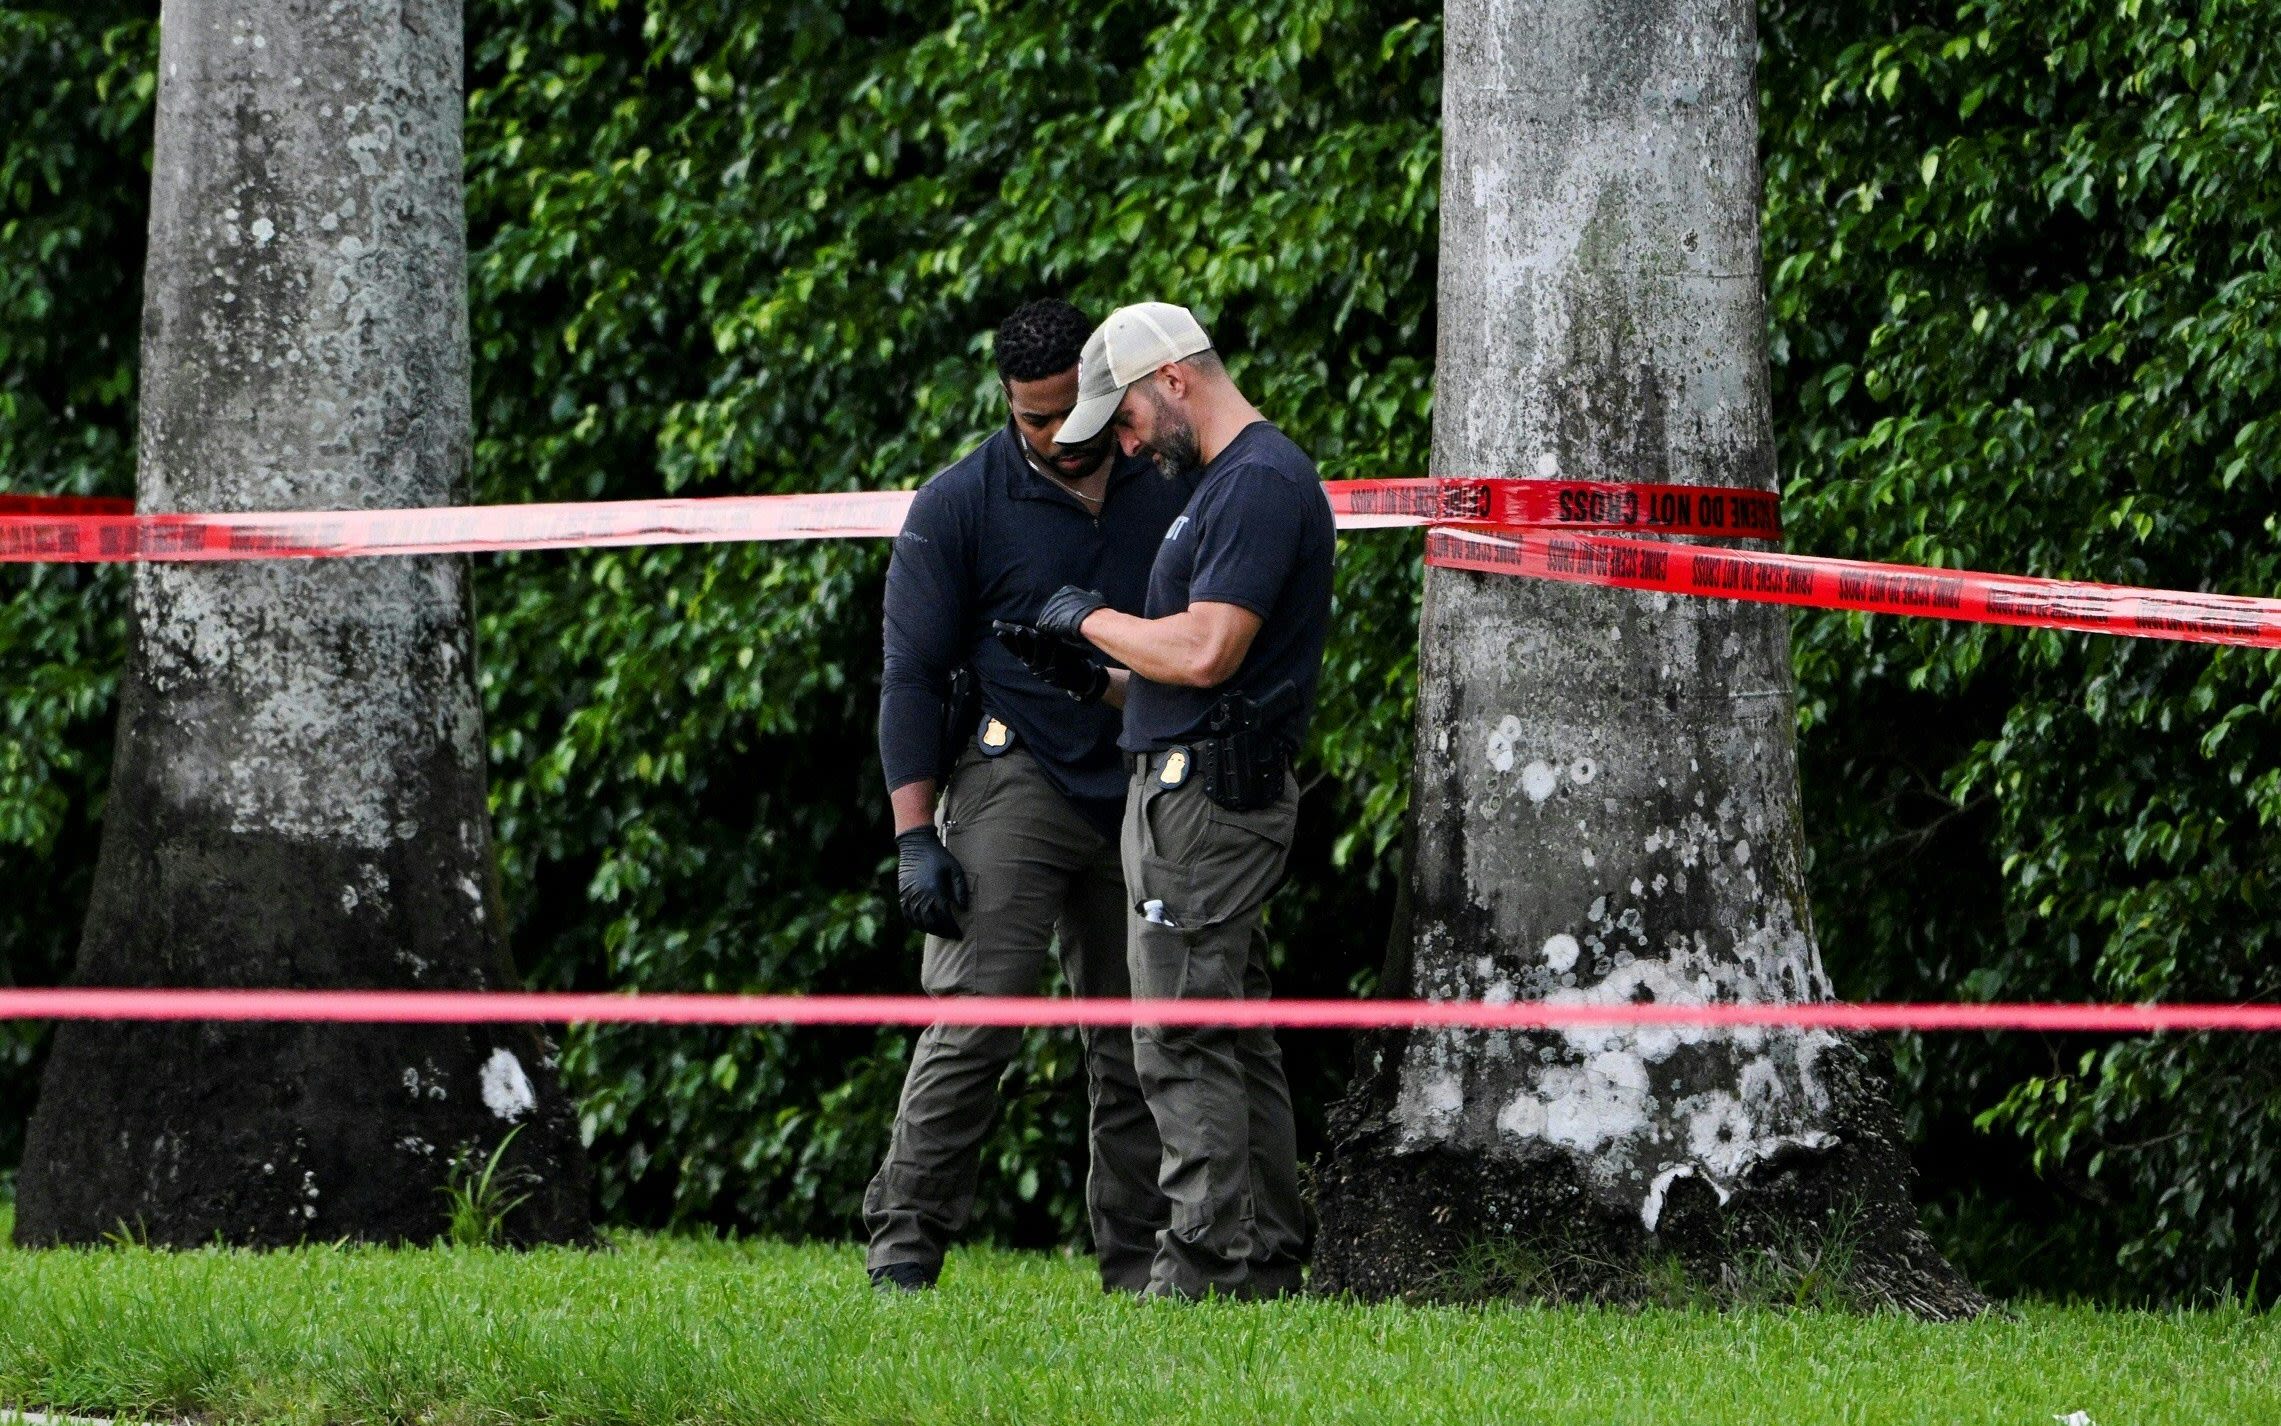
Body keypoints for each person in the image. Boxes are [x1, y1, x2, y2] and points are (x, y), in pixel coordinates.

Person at [867, 299, 1191, 1294]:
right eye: (1029, 418)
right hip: (1015, 773)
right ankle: (903, 1253)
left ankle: (1135, 1267)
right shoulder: (960, 501)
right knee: (974, 1018)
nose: (1052, 438)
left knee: (1135, 1037)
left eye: (1068, 415)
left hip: (1143, 777)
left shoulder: (1166, 477)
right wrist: (915, 835)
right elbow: (911, 677)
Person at [1032, 302, 1336, 1301]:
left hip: (1204, 800)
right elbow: (1186, 672)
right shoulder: (1230, 484)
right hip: (1189, 785)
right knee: (1229, 1029)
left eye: (1120, 422)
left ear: (1172, 378)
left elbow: (1207, 650)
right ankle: (1265, 1261)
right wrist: (1093, 671)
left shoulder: (1253, 482)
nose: (1122, 445)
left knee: (1177, 1031)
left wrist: (1097, 616)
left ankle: (1202, 1273)